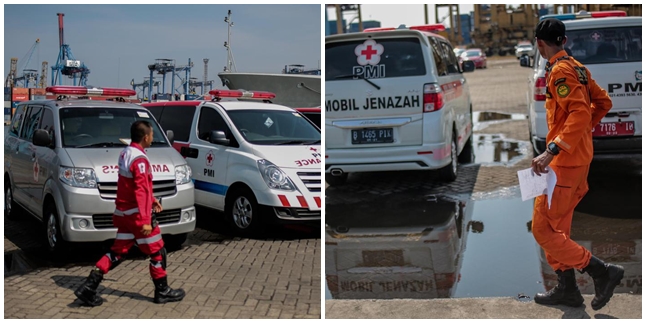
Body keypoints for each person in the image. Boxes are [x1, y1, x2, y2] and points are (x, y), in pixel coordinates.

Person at [530, 18, 623, 311]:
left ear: (539, 43)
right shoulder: (579, 68)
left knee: (542, 230)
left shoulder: (560, 71)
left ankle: (601, 271)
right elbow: (604, 103)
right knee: (558, 230)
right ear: (564, 41)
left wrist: (553, 149)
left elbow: (580, 113)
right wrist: (579, 136)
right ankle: (567, 290)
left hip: (564, 163)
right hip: (577, 161)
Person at [74, 121, 185, 306]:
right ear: (146, 137)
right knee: (158, 251)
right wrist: (145, 220)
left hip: (124, 213)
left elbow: (131, 186)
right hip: (136, 215)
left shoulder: (126, 153)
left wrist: (152, 199)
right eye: (151, 135)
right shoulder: (140, 160)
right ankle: (162, 291)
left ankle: (89, 286)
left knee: (117, 251)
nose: (152, 138)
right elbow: (140, 190)